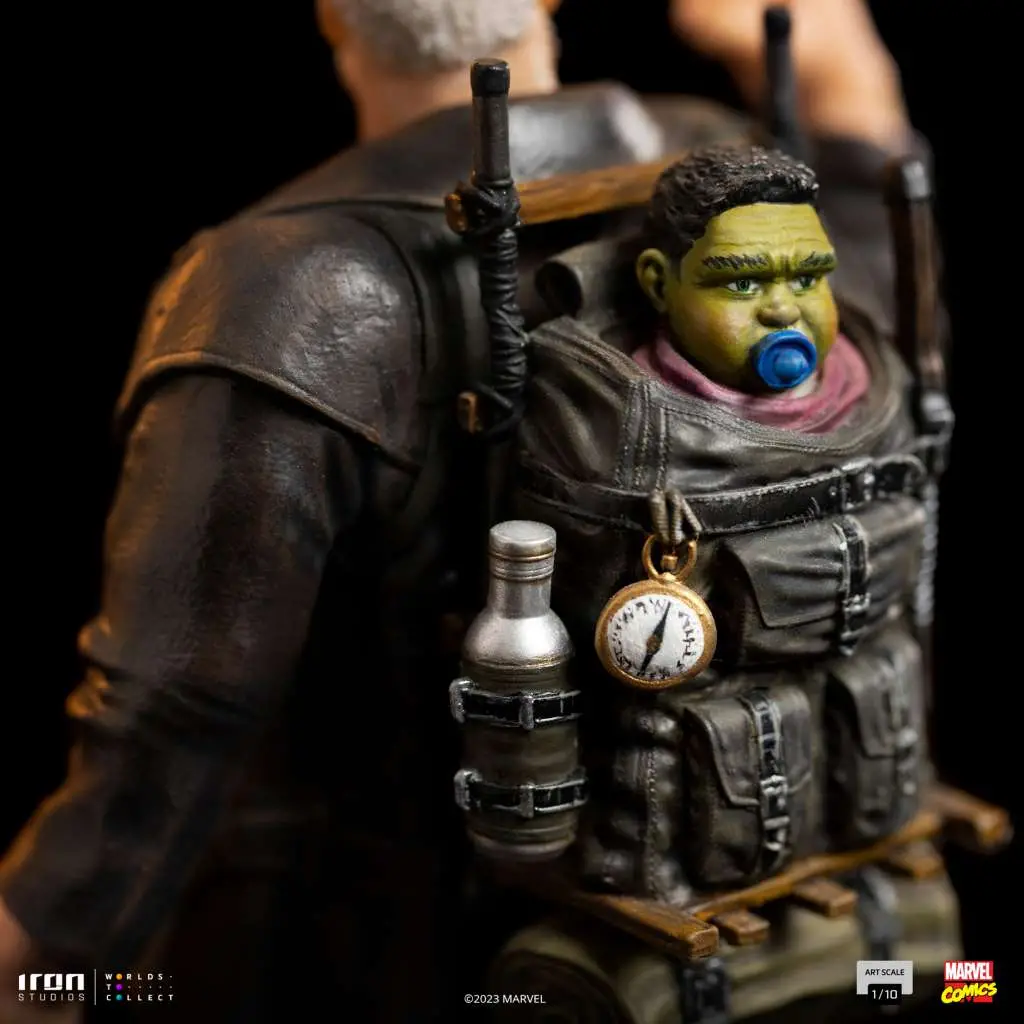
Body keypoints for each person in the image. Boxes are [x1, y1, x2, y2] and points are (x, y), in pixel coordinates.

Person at [0, 2, 945, 1021]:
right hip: (800, 933)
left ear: (333, 16)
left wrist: (39, 972)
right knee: (962, 987)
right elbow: (889, 326)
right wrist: (847, 80)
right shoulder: (740, 175)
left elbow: (172, 715)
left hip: (372, 961)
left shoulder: (279, 289)